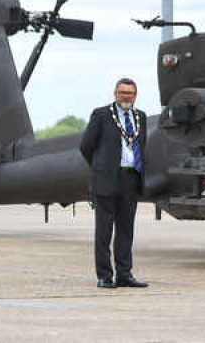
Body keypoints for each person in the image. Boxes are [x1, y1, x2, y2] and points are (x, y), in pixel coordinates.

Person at [79, 78, 149, 289]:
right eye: (122, 93)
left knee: (126, 230)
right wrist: (102, 167)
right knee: (104, 230)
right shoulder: (101, 115)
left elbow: (141, 145)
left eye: (130, 93)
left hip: (130, 178)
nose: (126, 97)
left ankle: (124, 274)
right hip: (107, 179)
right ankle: (104, 276)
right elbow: (86, 146)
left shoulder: (140, 117)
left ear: (135, 95)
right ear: (115, 94)